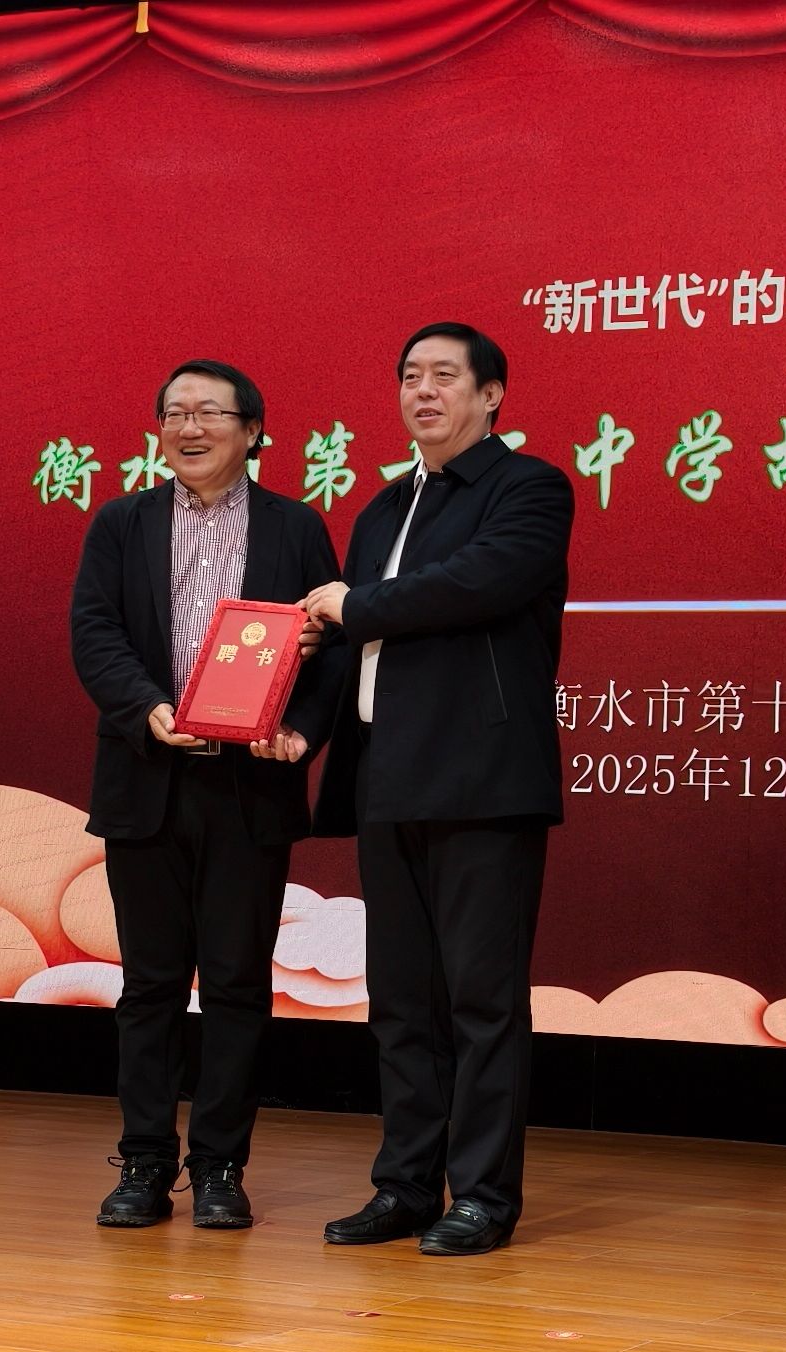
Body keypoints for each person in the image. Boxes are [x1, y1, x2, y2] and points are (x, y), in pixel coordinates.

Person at [298, 323, 573, 1256]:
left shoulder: (529, 487)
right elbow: (357, 638)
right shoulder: (382, 508)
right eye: (409, 375)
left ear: (491, 395)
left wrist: (354, 605)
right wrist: (310, 696)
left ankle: (484, 1196)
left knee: (483, 1001)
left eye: (444, 376)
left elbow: (476, 583)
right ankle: (406, 1185)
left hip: (481, 778)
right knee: (402, 1001)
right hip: (389, 774)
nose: (423, 391)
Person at [70, 359, 341, 1228]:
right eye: (174, 413)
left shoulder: (296, 527)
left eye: (209, 413)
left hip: (248, 784)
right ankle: (144, 1162)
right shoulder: (122, 523)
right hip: (147, 777)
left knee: (235, 983)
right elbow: (95, 631)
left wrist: (300, 730)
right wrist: (148, 709)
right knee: (150, 985)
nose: (189, 428)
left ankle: (220, 1166)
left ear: (252, 430)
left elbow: (330, 649)